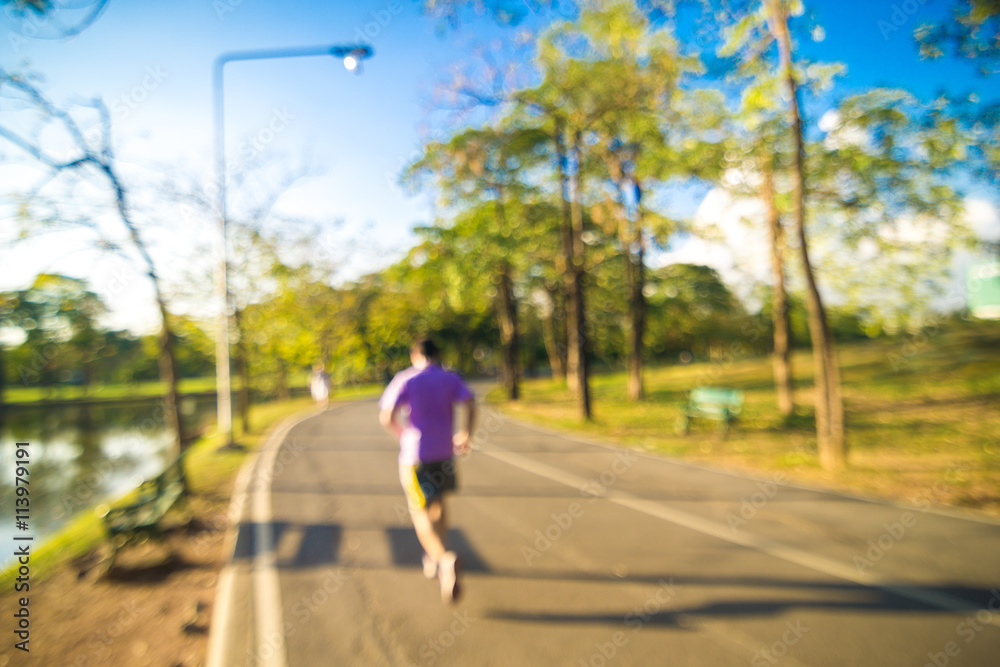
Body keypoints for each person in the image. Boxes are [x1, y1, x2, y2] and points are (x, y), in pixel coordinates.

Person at [379, 338, 475, 604]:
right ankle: (434, 557)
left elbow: (387, 417)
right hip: (444, 452)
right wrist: (466, 433)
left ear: (415, 355)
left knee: (418, 510)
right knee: (439, 503)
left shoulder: (405, 379)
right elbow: (470, 401)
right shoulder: (449, 377)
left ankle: (443, 559)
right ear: (438, 353)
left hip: (415, 455)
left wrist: (403, 436)